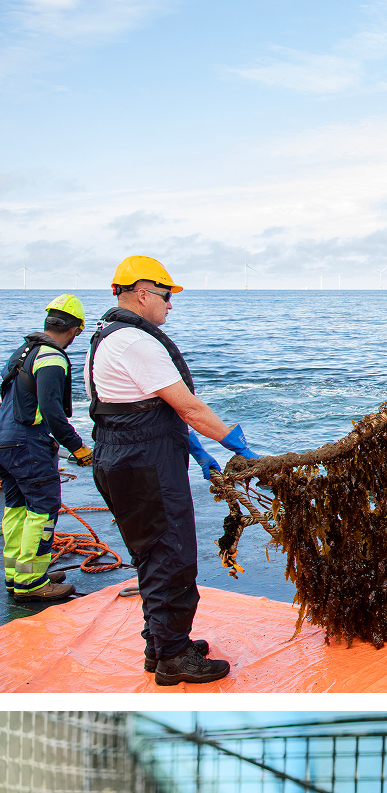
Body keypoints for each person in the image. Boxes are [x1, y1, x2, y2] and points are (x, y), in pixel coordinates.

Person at [84, 255, 261, 686]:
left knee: (152, 553)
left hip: (123, 460)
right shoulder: (136, 343)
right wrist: (238, 445)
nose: (169, 305)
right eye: (165, 296)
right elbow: (189, 408)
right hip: (145, 467)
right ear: (142, 293)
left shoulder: (106, 338)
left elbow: (142, 410)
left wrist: (197, 452)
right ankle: (174, 658)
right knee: (173, 556)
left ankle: (160, 643)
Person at [0, 295, 95, 601]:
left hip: (4, 440)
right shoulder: (51, 358)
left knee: (16, 509)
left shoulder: (22, 352)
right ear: (76, 330)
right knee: (42, 510)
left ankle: (18, 576)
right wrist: (77, 447)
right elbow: (52, 411)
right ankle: (33, 584)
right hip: (29, 444)